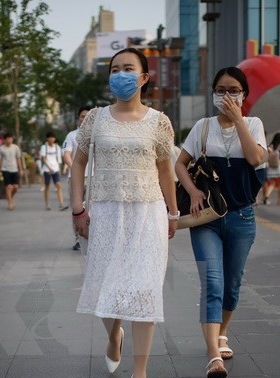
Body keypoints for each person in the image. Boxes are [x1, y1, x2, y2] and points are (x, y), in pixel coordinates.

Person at [71, 48, 178, 378]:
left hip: (148, 214)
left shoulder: (159, 122)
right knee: (108, 287)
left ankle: (140, 371)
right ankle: (114, 335)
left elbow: (165, 171)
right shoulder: (95, 118)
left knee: (145, 291)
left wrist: (173, 212)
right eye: (114, 69)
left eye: (128, 68)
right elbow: (78, 163)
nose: (120, 74)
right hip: (104, 212)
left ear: (144, 77)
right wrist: (78, 209)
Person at [175, 66, 267, 378]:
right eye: (220, 90)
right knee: (212, 283)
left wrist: (238, 118)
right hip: (206, 218)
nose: (226, 96)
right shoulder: (202, 127)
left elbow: (256, 159)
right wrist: (192, 190)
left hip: (242, 216)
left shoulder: (253, 124)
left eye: (233, 90)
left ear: (244, 95)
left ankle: (222, 332)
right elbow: (180, 164)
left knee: (232, 285)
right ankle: (214, 355)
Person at [62, 105, 93, 250]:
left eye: (88, 116)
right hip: (76, 179)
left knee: (92, 208)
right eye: (82, 116)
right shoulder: (72, 135)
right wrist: (75, 170)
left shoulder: (96, 135)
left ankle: (92, 235)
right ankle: (78, 239)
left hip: (93, 178)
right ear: (78, 119)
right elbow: (66, 154)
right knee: (77, 207)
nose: (85, 119)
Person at [40, 131, 68, 211]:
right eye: (50, 137)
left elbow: (59, 160)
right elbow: (44, 159)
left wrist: (59, 169)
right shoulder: (44, 147)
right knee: (47, 186)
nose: (51, 139)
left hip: (55, 169)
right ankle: (47, 204)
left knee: (58, 185)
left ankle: (61, 204)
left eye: (53, 137)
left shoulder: (57, 147)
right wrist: (49, 168)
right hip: (47, 169)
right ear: (47, 138)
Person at [0, 132, 23, 210]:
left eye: (11, 138)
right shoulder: (1, 149)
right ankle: (10, 203)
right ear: (4, 140)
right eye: (7, 138)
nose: (9, 140)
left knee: (16, 187)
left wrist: (21, 169)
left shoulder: (16, 148)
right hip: (5, 169)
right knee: (9, 187)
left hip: (14, 169)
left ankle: (9, 197)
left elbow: (18, 159)